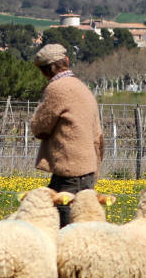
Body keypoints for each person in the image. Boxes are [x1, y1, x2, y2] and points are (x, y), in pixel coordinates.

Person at [30, 43, 104, 227]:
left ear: (45, 71)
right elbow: (98, 135)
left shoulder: (57, 89)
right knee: (83, 226)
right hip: (87, 170)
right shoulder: (82, 88)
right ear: (67, 61)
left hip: (69, 172)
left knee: (63, 229)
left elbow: (40, 127)